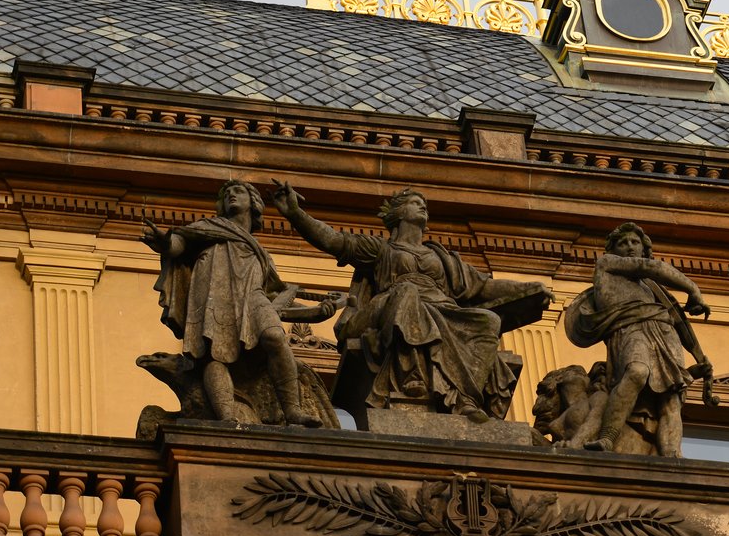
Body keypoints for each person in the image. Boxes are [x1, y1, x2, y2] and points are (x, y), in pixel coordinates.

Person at [272, 182, 549, 422]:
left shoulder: (441, 256)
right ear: (398, 213)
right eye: (415, 203)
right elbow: (335, 241)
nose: (423, 207)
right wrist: (296, 214)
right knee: (407, 293)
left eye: (424, 204)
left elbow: (484, 286)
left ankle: (466, 399)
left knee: (489, 320)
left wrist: (529, 287)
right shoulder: (381, 249)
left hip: (442, 309)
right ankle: (411, 372)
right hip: (388, 306)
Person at [142, 180, 320, 427]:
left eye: (238, 191)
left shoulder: (262, 253)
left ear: (253, 202)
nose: (231, 196)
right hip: (214, 294)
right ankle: (227, 419)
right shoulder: (208, 228)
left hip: (253, 296)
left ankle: (293, 411)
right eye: (227, 194)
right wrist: (164, 243)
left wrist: (319, 312)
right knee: (213, 356)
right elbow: (178, 245)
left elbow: (276, 300)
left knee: (275, 337)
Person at [565, 222, 712, 456]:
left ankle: (673, 457)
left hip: (664, 332)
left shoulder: (652, 288)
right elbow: (651, 267)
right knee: (636, 372)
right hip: (630, 329)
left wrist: (699, 360)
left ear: (643, 247)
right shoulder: (607, 264)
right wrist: (693, 289)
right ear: (613, 250)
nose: (630, 247)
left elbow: (677, 319)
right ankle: (607, 438)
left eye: (635, 242)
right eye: (623, 243)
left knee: (670, 398)